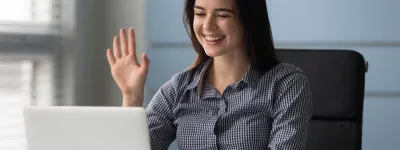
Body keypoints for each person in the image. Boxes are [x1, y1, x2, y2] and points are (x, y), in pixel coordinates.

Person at [106, 0, 313, 149]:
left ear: (249, 20)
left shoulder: (286, 84)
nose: (208, 26)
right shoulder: (178, 89)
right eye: (200, 13)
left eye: (222, 15)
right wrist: (132, 96)